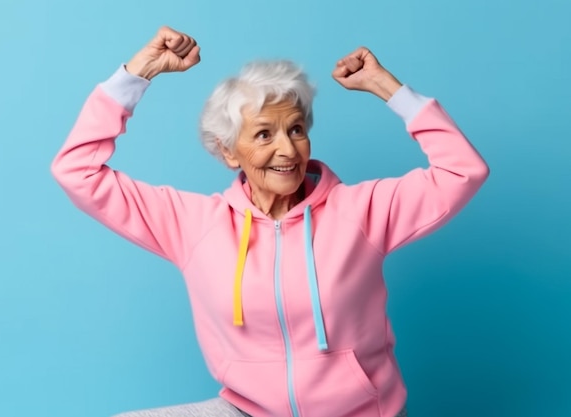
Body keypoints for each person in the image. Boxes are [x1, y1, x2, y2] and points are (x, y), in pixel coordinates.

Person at [51, 25, 489, 417]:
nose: (288, 149)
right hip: (247, 411)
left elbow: (462, 170)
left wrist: (388, 88)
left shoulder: (362, 211)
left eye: (296, 129)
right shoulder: (194, 225)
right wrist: (137, 72)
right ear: (228, 151)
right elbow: (78, 172)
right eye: (264, 134)